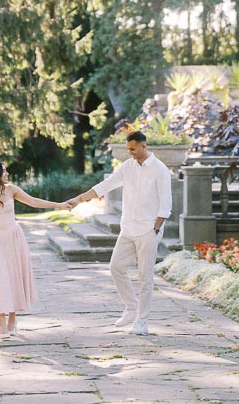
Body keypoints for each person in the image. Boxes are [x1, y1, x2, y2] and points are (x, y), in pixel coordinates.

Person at [67, 130, 171, 335]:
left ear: (144, 146)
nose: (130, 152)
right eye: (128, 149)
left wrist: (155, 230)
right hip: (128, 228)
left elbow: (166, 204)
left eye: (133, 149)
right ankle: (131, 308)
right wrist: (80, 199)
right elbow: (106, 185)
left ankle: (142, 322)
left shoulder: (160, 170)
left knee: (145, 277)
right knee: (116, 267)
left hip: (148, 230)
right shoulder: (127, 167)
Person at [0, 160, 64, 340]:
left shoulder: (11, 189)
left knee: (13, 275)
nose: (7, 174)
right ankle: (0, 320)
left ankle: (12, 316)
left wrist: (59, 205)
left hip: (14, 237)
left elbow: (34, 202)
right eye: (4, 171)